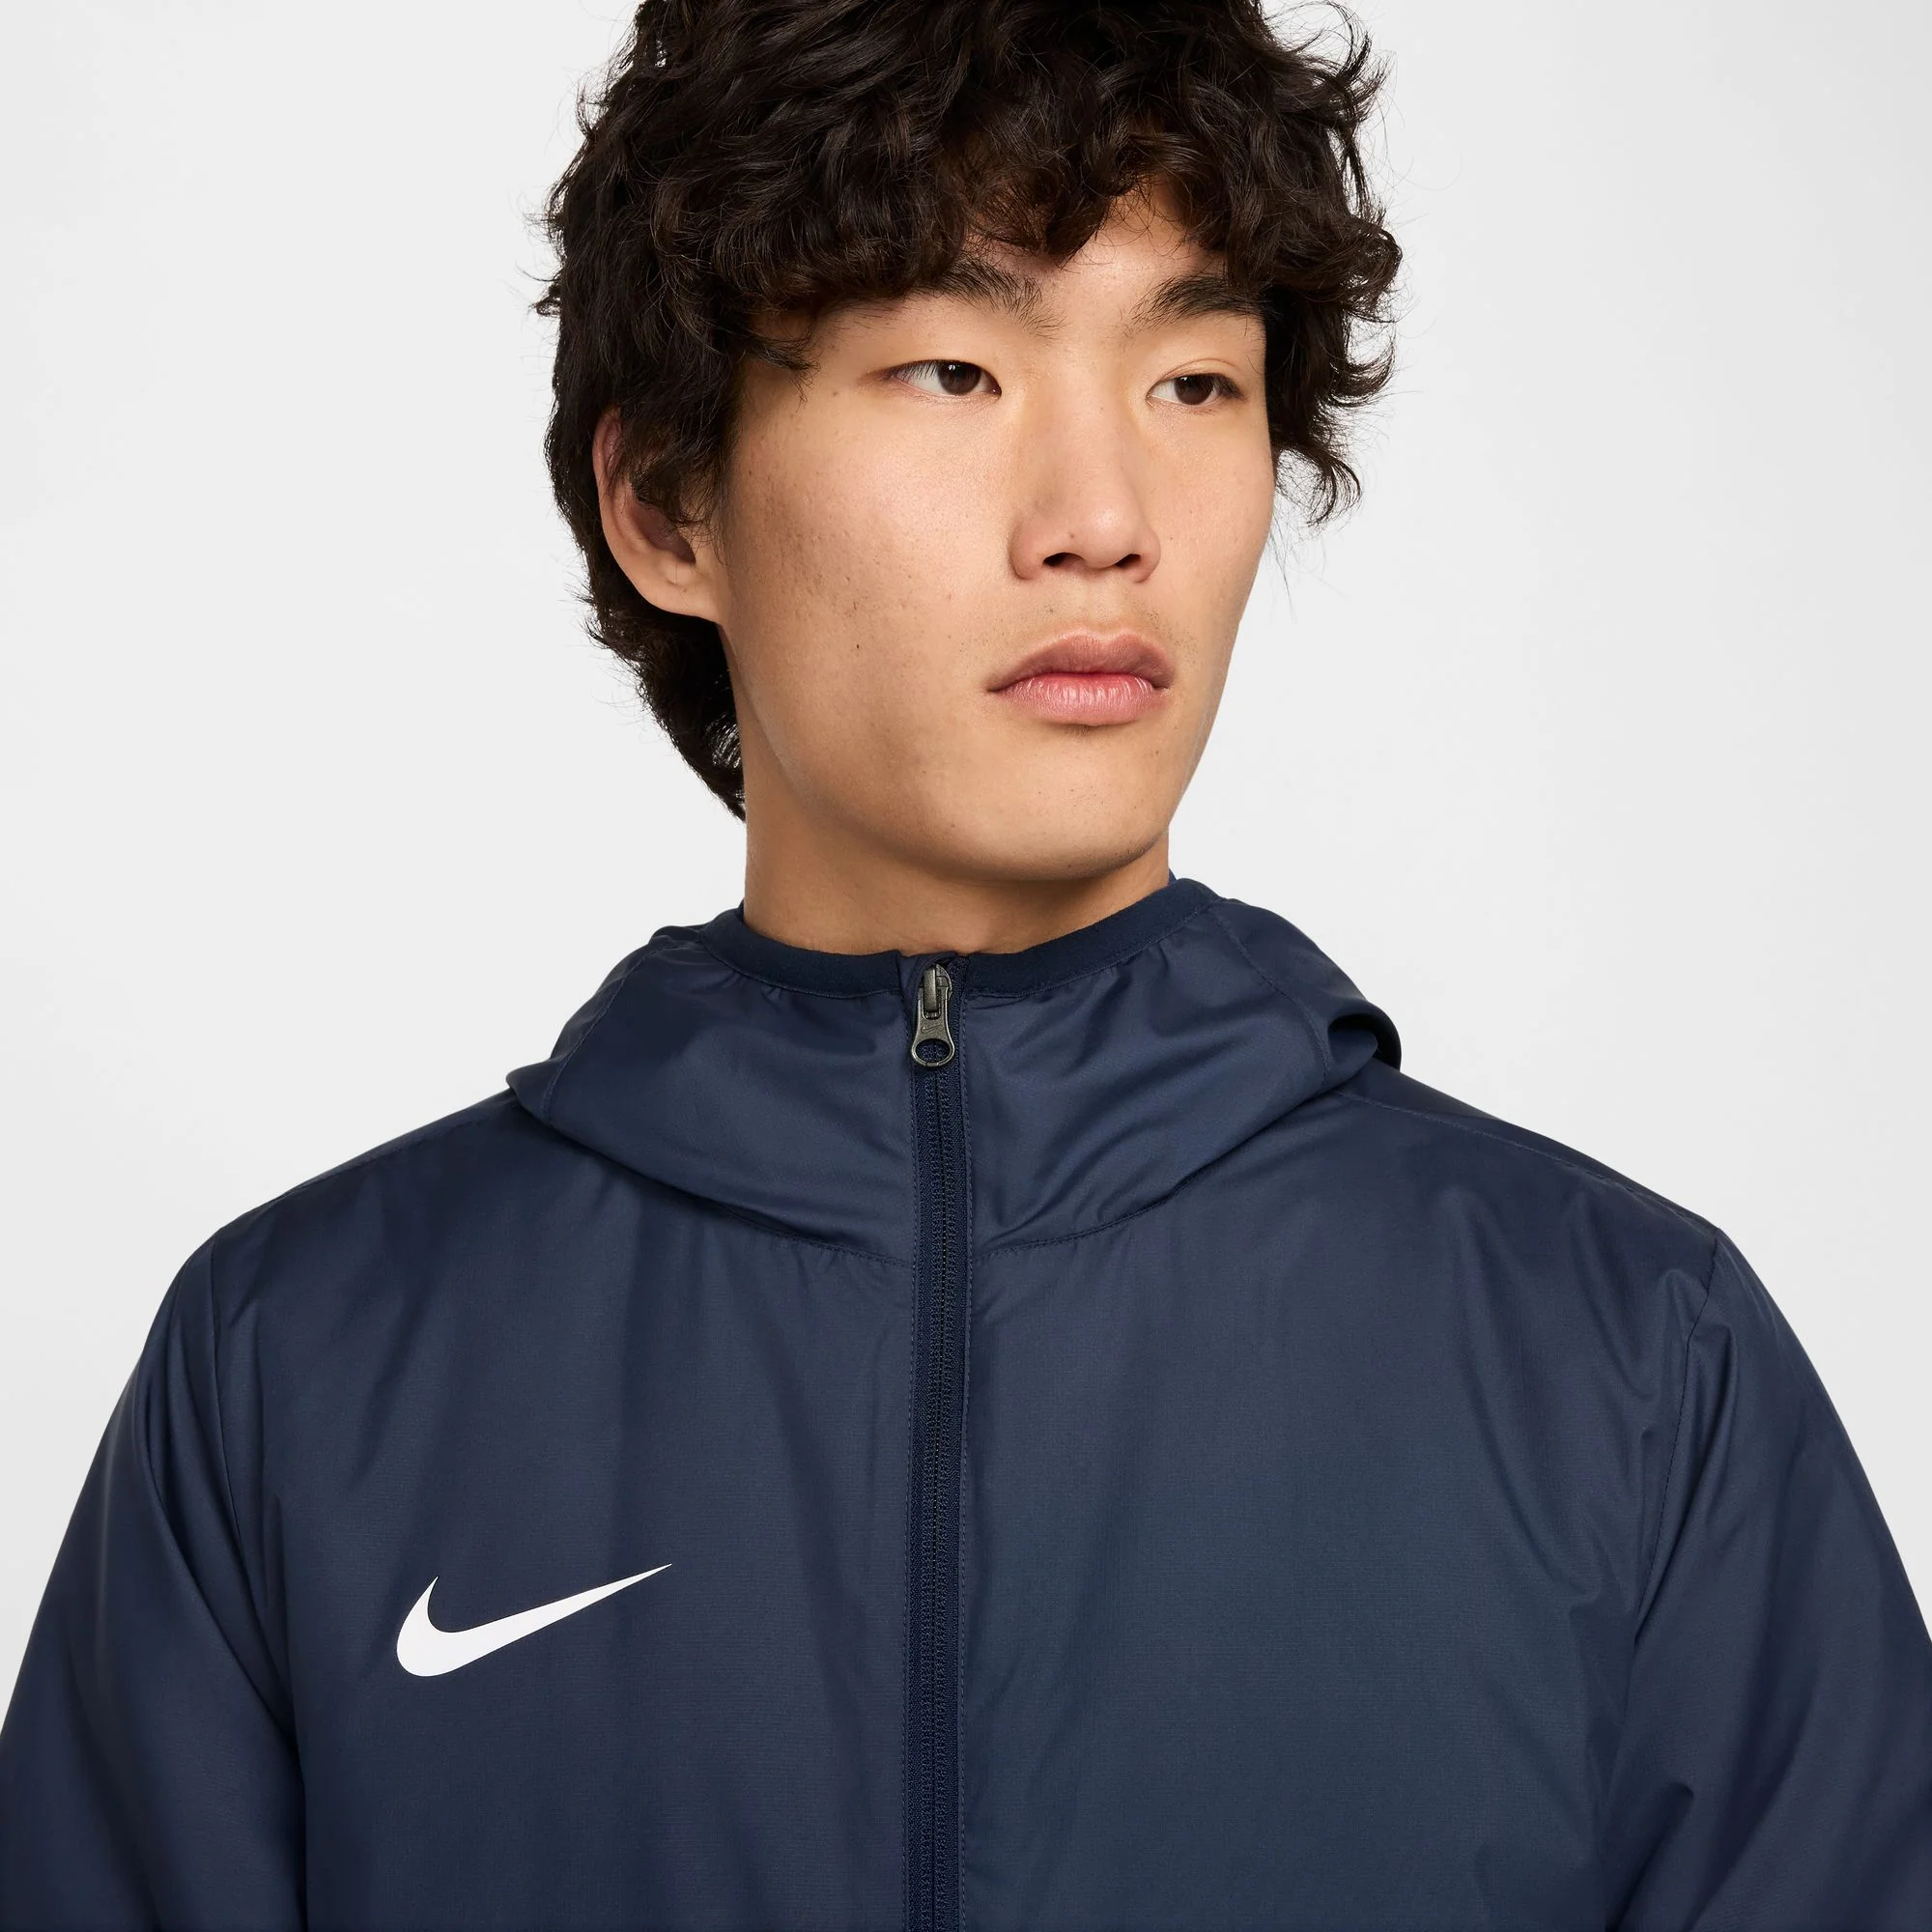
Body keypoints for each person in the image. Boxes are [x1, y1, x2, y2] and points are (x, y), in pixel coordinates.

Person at [3, 0, 1928, 1923]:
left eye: (1194, 382)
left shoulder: (1628, 1358)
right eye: (952, 369)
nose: (1103, 522)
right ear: (666, 502)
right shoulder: (301, 1367)